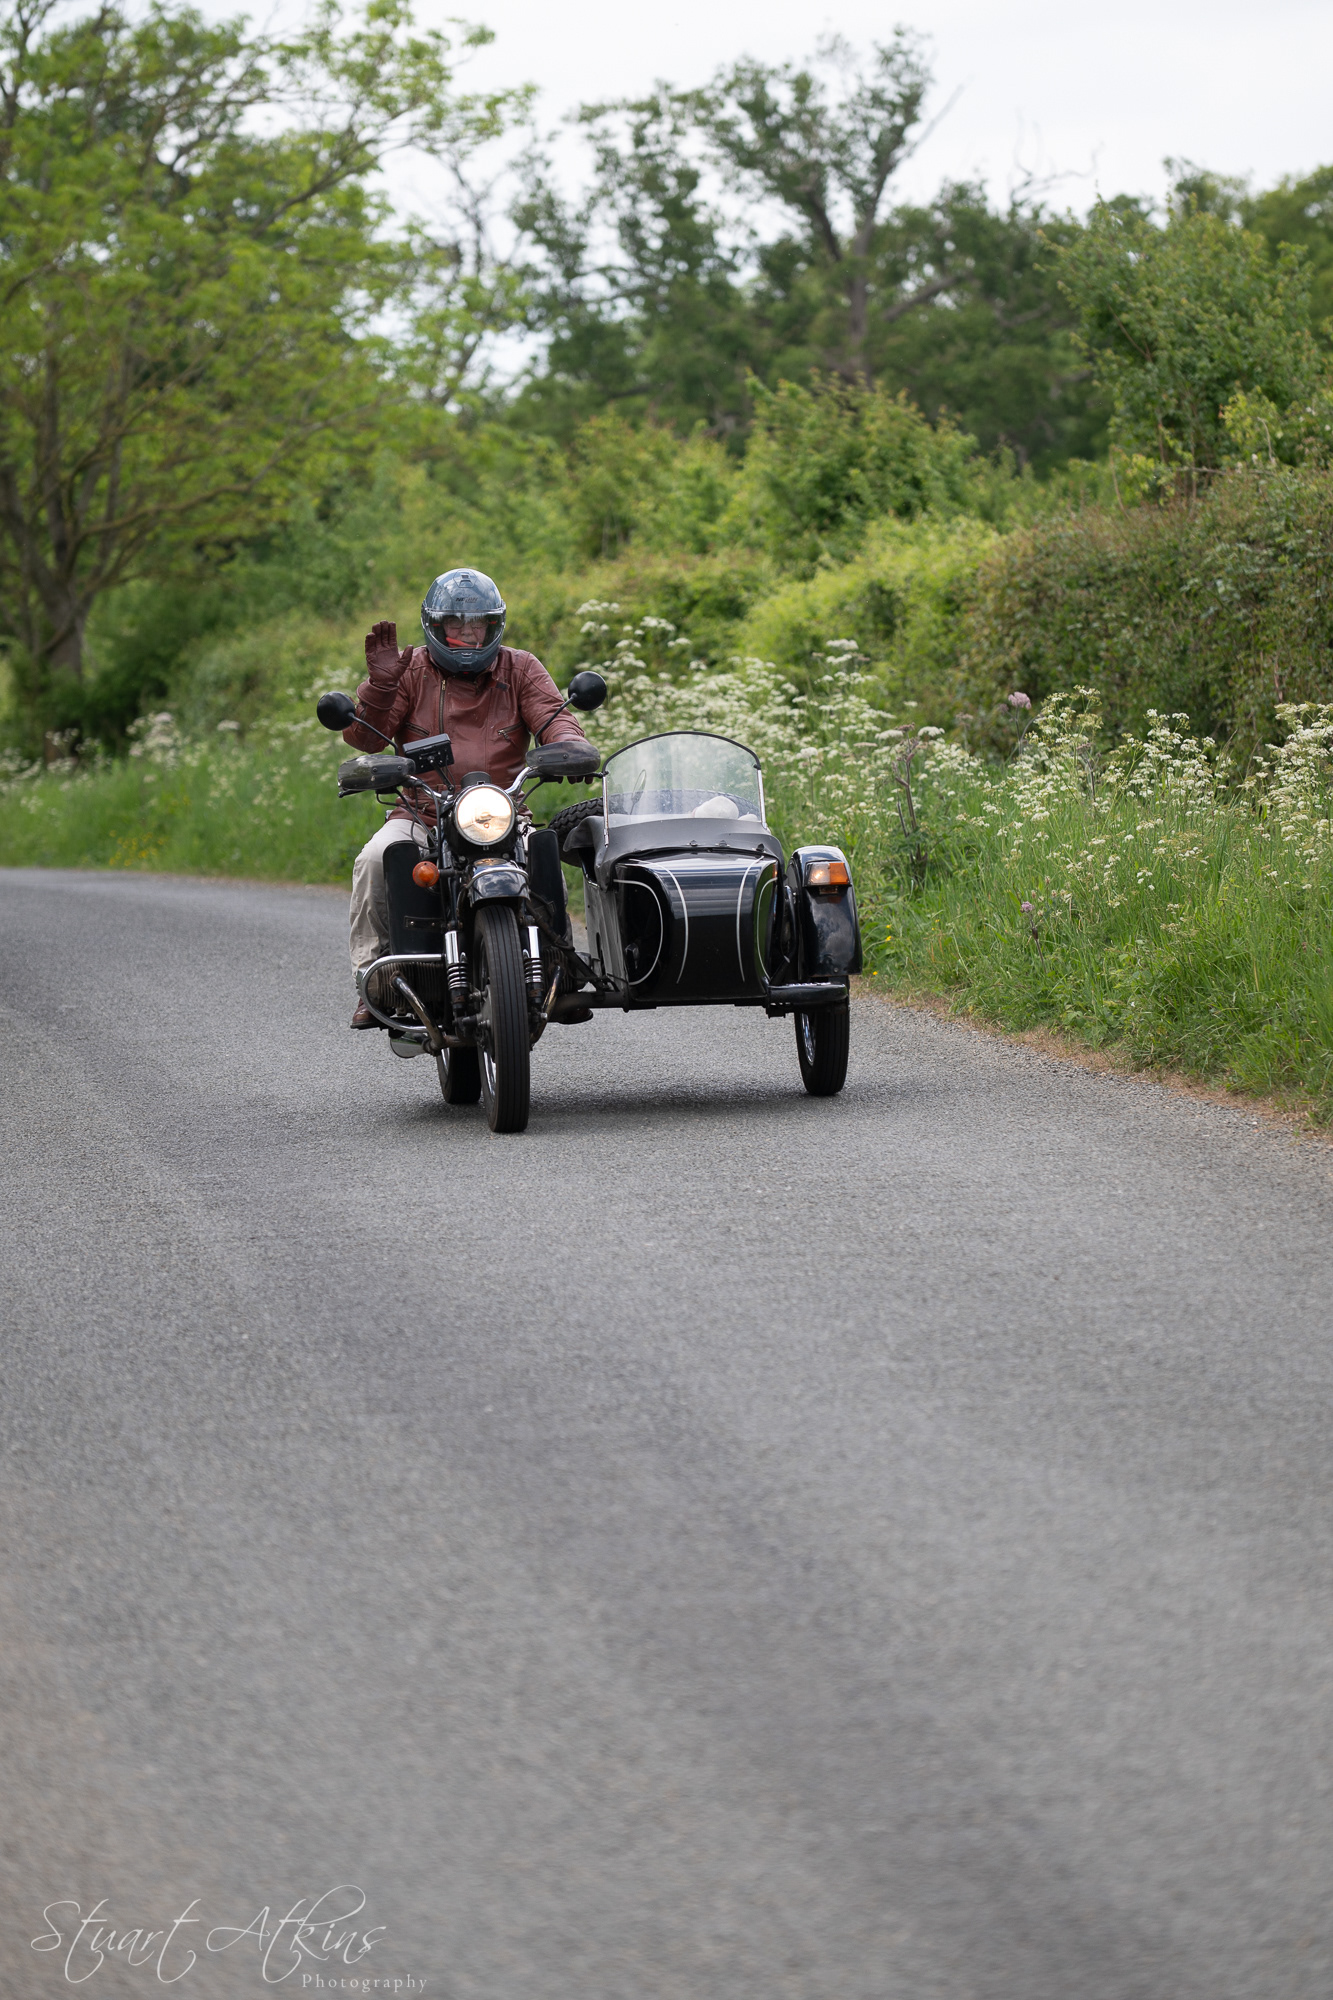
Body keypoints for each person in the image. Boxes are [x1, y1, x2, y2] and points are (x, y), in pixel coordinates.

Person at [344, 567, 588, 1027]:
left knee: (541, 853)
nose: (468, 634)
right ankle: (376, 983)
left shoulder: (521, 667)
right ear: (434, 627)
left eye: (478, 624)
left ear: (495, 626)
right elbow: (366, 739)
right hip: (423, 810)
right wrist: (381, 687)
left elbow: (554, 717)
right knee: (376, 859)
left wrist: (570, 748)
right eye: (456, 624)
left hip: (501, 810)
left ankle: (560, 969)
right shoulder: (408, 671)